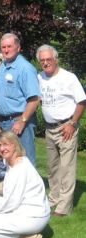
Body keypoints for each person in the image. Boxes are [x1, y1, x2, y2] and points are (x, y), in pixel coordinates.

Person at [36, 44, 86, 216]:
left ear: (55, 59)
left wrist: (72, 123)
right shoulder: (40, 77)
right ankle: (54, 198)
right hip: (50, 129)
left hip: (66, 128)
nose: (45, 63)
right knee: (53, 167)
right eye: (42, 60)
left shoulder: (69, 78)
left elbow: (81, 101)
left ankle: (64, 207)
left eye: (48, 59)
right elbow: (41, 100)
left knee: (66, 168)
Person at [0, 33, 40, 165]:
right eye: (3, 47)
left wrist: (22, 121)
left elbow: (34, 99)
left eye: (9, 46)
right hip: (4, 122)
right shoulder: (4, 65)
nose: (6, 50)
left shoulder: (25, 68)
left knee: (25, 160)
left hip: (19, 122)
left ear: (18, 48)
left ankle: (31, 186)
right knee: (9, 161)